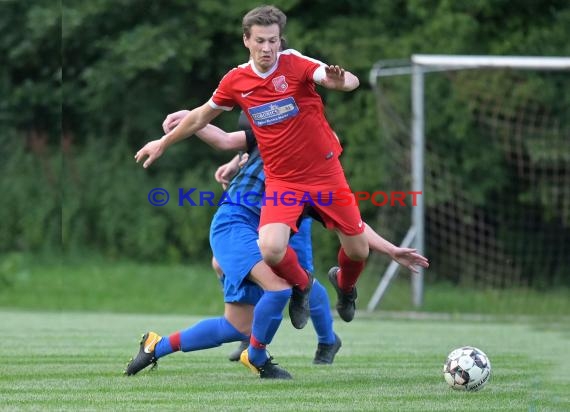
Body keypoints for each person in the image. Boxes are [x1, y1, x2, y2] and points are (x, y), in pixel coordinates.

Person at [134, 4, 426, 377]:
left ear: (280, 41)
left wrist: (340, 80)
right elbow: (203, 119)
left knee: (356, 249)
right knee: (273, 253)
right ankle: (288, 326)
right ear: (246, 41)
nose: (267, 48)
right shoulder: (238, 85)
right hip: (283, 184)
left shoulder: (294, 64)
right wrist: (163, 142)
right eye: (260, 41)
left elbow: (340, 79)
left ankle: (344, 289)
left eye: (273, 40)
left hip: (324, 177)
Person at [125, 115, 342, 380]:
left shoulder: (310, 162)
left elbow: (355, 225)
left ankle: (155, 346)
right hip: (238, 228)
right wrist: (189, 122)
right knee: (285, 286)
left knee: (236, 326)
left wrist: (390, 250)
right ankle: (260, 356)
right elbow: (224, 139)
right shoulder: (273, 143)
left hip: (259, 234)